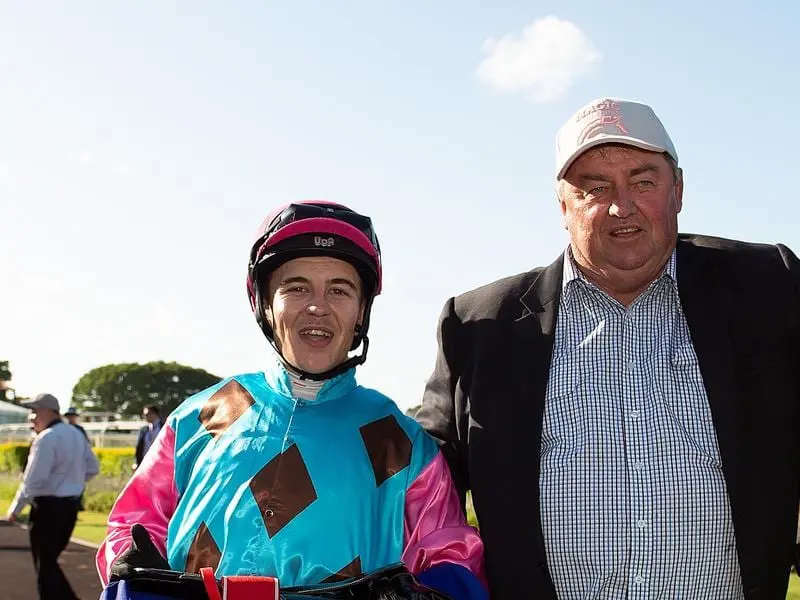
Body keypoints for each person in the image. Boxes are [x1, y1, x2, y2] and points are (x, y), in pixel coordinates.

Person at [416, 97, 800, 600]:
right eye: (595, 188)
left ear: (678, 190)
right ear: (562, 207)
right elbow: (418, 487)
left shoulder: (771, 285)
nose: (623, 206)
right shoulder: (479, 327)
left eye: (644, 182)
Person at [97, 201, 487, 600]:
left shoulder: (401, 442)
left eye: (340, 290)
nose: (318, 306)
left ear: (361, 311)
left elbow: (450, 554)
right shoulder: (200, 416)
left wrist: (437, 591)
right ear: (264, 304)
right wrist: (127, 560)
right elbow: (133, 525)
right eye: (296, 287)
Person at [2, 392, 99, 600]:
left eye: (34, 411)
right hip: (70, 508)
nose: (32, 417)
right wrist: (73, 484)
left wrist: (14, 510)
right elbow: (92, 468)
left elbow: (33, 480)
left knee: (45, 566)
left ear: (48, 412)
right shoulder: (75, 434)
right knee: (49, 563)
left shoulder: (45, 438)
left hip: (48, 509)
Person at [133, 404, 161, 469]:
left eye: (147, 414)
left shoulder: (164, 427)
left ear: (154, 414)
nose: (145, 417)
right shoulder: (144, 430)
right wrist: (137, 463)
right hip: (145, 464)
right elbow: (139, 448)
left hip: (160, 462)